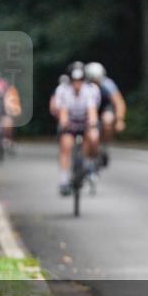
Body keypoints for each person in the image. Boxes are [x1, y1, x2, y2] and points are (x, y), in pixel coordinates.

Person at [54, 62, 101, 196]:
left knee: (93, 137)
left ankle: (88, 166)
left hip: (85, 121)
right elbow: (62, 111)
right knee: (66, 145)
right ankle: (63, 181)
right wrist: (64, 122)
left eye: (80, 80)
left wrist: (92, 122)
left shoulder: (91, 90)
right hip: (70, 122)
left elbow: (92, 111)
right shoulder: (62, 90)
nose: (77, 84)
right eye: (74, 80)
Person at [84, 62, 126, 166]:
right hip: (88, 108)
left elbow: (118, 102)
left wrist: (120, 120)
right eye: (93, 79)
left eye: (98, 79)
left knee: (108, 120)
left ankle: (104, 147)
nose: (96, 82)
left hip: (104, 108)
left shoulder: (108, 84)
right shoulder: (83, 86)